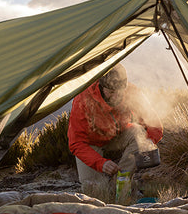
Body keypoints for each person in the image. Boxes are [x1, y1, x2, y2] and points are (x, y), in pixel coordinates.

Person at [67, 63, 163, 196]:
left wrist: (149, 143)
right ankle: (108, 185)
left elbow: (154, 123)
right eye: (111, 92)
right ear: (101, 86)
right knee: (95, 192)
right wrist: (101, 163)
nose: (116, 96)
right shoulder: (83, 99)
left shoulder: (132, 92)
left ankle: (121, 179)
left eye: (120, 91)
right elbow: (76, 143)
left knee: (138, 133)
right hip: (91, 144)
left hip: (118, 136)